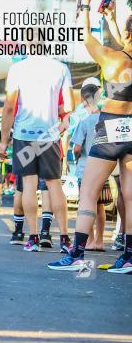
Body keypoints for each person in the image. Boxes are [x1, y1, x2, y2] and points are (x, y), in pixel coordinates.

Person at [49, 0, 132, 273]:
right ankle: (129, 257)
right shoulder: (123, 55)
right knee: (130, 196)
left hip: (110, 129)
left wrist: (84, 3)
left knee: (88, 193)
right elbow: (127, 43)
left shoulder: (111, 58)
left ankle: (75, 255)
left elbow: (85, 35)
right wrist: (112, 20)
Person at [0, 35, 71, 254]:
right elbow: (69, 106)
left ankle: (32, 237)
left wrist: (3, 142)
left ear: (27, 45)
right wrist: (59, 127)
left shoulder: (17, 69)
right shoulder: (60, 68)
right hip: (49, 136)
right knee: (54, 185)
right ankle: (65, 238)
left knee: (29, 185)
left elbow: (9, 107)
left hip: (24, 134)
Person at [69, 82, 111, 251]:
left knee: (87, 204)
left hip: (86, 169)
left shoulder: (84, 121)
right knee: (100, 206)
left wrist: (76, 155)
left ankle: (89, 241)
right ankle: (100, 241)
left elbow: (77, 147)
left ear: (85, 100)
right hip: (105, 167)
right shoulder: (106, 120)